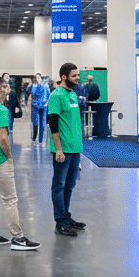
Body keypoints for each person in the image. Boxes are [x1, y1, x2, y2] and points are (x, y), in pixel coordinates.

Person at [0, 76, 39, 251]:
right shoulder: (2, 110)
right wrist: (9, 157)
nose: (8, 89)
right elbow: (3, 138)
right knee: (10, 200)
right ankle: (18, 238)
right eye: (5, 87)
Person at [48, 62, 85, 237]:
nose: (78, 78)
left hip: (75, 148)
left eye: (78, 75)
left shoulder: (73, 94)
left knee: (69, 186)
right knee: (59, 185)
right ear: (64, 77)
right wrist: (59, 149)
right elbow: (53, 125)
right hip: (62, 149)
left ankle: (65, 216)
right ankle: (60, 222)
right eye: (74, 76)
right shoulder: (56, 95)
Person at [29, 74, 50, 144]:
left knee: (43, 123)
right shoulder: (32, 86)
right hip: (35, 106)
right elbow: (31, 94)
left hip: (44, 106)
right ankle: (34, 136)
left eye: (38, 78)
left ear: (41, 78)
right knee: (35, 122)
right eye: (35, 78)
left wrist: (46, 102)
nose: (37, 79)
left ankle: (40, 139)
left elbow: (48, 94)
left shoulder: (45, 85)